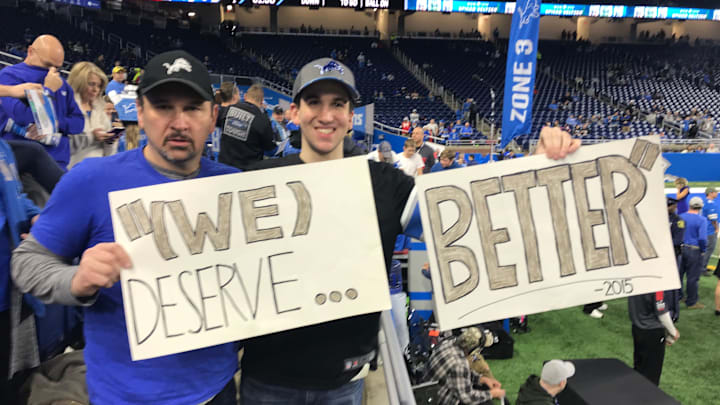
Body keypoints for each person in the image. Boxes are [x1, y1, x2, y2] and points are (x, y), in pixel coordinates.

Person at [239, 57, 580, 402]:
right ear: (295, 112)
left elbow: (472, 221)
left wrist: (533, 168)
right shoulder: (257, 182)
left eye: (338, 104)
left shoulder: (386, 184)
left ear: (350, 115)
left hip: (342, 383)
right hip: (268, 377)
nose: (326, 115)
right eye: (314, 102)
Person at [11, 50, 239, 404]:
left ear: (212, 117)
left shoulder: (235, 186)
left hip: (217, 390)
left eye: (192, 108)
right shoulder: (91, 180)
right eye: (163, 107)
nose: (179, 122)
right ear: (141, 114)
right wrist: (76, 281)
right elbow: (26, 263)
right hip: (123, 395)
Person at [0, 84, 45, 404]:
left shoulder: (4, 149)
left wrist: (37, 217)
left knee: (10, 362)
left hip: (9, 275)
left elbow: (16, 196)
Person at [0, 34, 85, 170]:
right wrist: (48, 90)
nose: (51, 71)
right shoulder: (9, 75)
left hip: (59, 162)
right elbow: (23, 117)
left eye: (57, 68)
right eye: (47, 65)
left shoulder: (62, 84)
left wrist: (57, 123)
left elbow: (79, 123)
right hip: (24, 163)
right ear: (30, 52)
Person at [429, 327, 504, 405]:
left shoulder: (447, 343)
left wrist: (481, 379)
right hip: (441, 400)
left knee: (482, 387)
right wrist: (492, 394)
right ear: (473, 350)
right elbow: (467, 398)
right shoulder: (460, 364)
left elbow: (457, 374)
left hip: (431, 391)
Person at [66, 61, 118, 168]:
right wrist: (92, 137)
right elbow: (61, 147)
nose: (96, 90)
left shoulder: (101, 111)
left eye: (99, 86)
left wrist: (110, 142)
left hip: (97, 171)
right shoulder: (65, 108)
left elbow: (109, 155)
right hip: (70, 172)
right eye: (91, 84)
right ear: (78, 83)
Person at [218, 83, 276, 170]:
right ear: (261, 101)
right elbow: (271, 151)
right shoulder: (263, 120)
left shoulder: (228, 110)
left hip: (223, 168)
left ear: (245, 96)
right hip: (247, 173)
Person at [628, 291, 680, 385]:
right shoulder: (657, 286)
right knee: (651, 373)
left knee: (639, 366)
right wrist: (673, 331)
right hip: (652, 332)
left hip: (637, 328)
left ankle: (635, 393)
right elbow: (661, 311)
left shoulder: (635, 280)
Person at [678, 196, 708, 309]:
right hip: (694, 250)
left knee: (679, 275)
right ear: (700, 207)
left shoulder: (681, 217)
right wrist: (703, 250)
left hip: (680, 249)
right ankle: (691, 302)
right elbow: (702, 239)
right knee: (692, 277)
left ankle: (679, 296)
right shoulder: (702, 220)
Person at [666, 197, 684, 322]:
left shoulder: (679, 221)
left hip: (672, 256)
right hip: (662, 256)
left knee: (672, 284)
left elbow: (677, 240)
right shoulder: (659, 218)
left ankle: (673, 313)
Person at [701, 187, 718, 275]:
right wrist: (716, 229)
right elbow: (713, 219)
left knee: (705, 249)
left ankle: (703, 266)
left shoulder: (703, 202)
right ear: (711, 193)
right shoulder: (710, 204)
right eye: (715, 192)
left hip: (704, 229)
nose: (717, 193)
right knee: (709, 250)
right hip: (710, 230)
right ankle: (702, 268)